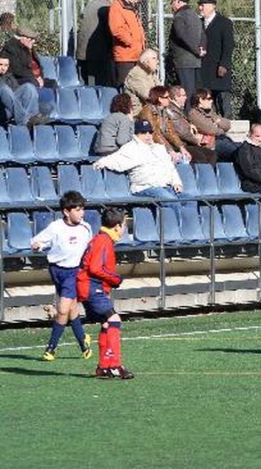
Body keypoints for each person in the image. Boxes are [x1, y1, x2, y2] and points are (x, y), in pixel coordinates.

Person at [32, 191, 94, 362]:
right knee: (72, 308)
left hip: (73, 272)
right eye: (77, 210)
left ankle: (51, 348)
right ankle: (83, 342)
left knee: (62, 309)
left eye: (82, 209)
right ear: (66, 211)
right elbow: (38, 240)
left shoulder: (86, 228)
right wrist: (37, 245)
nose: (82, 213)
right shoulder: (56, 227)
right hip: (56, 270)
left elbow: (90, 250)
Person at [76, 207, 134, 379]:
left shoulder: (101, 238)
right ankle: (115, 365)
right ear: (117, 226)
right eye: (124, 225)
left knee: (107, 323)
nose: (124, 229)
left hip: (88, 287)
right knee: (114, 319)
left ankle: (103, 367)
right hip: (91, 287)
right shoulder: (104, 240)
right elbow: (95, 268)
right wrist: (115, 279)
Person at [93, 119, 184, 203]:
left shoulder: (159, 148)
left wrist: (176, 182)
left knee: (187, 199)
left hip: (165, 186)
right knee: (170, 201)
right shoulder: (131, 148)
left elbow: (170, 168)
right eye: (143, 132)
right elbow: (116, 159)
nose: (148, 135)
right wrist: (102, 162)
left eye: (150, 132)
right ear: (136, 134)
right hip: (145, 187)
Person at [197, 0, 235, 117]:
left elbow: (228, 46)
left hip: (219, 69)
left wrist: (224, 65)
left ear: (212, 6)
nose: (200, 8)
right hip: (203, 70)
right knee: (206, 101)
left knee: (223, 100)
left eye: (203, 5)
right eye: (199, 5)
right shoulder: (198, 23)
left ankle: (227, 123)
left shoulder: (224, 23)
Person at [168, 0, 205, 106]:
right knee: (194, 91)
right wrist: (202, 49)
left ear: (178, 2)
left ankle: (188, 113)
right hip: (196, 60)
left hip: (183, 60)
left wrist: (196, 50)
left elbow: (182, 36)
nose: (171, 6)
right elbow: (203, 35)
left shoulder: (179, 16)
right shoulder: (195, 15)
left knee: (186, 92)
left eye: (172, 2)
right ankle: (194, 111)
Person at [76, 0, 116, 86]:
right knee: (99, 84)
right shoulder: (106, 7)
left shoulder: (89, 5)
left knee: (84, 83)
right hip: (98, 53)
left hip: (82, 53)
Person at [139, 86, 192, 165]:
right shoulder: (147, 111)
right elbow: (154, 133)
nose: (169, 99)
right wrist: (170, 150)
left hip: (162, 145)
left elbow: (171, 132)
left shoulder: (164, 111)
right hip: (151, 146)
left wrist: (181, 147)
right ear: (160, 99)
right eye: (167, 97)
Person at [166, 84, 217, 165]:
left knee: (211, 154)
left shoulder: (178, 110)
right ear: (176, 97)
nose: (186, 98)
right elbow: (183, 132)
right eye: (183, 95)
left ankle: (209, 173)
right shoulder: (172, 111)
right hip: (179, 145)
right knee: (201, 157)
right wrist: (197, 140)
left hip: (186, 143)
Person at [108, 0, 145, 85]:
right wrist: (131, 42)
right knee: (125, 86)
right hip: (125, 56)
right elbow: (117, 29)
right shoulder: (117, 7)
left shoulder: (128, 6)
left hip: (134, 54)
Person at [189, 88, 238, 161]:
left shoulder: (210, 112)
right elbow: (211, 129)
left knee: (242, 147)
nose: (211, 101)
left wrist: (217, 122)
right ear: (200, 100)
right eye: (209, 99)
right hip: (212, 143)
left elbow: (228, 125)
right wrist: (219, 126)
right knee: (238, 151)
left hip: (222, 139)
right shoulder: (194, 114)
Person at [0, 54, 42, 126]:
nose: (3, 68)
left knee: (28, 87)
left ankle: (32, 118)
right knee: (4, 89)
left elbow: (15, 97)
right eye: (0, 65)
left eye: (6, 65)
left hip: (9, 111)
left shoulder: (9, 77)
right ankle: (24, 121)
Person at [123, 48, 162, 115]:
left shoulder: (150, 73)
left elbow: (162, 91)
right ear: (145, 61)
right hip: (139, 114)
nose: (157, 61)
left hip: (152, 112)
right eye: (154, 58)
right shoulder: (135, 75)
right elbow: (149, 96)